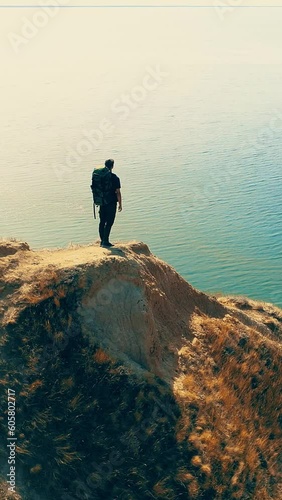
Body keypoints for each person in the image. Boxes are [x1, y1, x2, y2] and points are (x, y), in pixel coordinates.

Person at [99, 159, 122, 248]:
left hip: (102, 202)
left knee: (102, 222)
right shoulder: (115, 177)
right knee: (109, 222)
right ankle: (106, 241)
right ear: (112, 166)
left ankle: (102, 241)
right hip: (111, 203)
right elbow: (118, 192)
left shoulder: (100, 177)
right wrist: (120, 204)